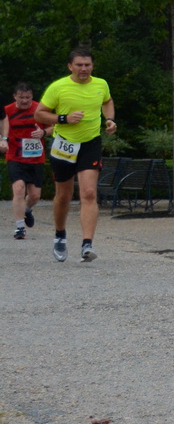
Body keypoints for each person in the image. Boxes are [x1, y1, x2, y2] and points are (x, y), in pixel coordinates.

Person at [35, 49, 116, 263]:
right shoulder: (58, 87)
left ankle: (87, 244)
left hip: (90, 143)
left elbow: (107, 101)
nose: (83, 69)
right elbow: (39, 113)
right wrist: (64, 118)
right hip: (64, 145)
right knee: (64, 195)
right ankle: (60, 235)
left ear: (92, 66)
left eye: (87, 65)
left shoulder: (101, 84)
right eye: (79, 65)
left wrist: (109, 120)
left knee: (89, 193)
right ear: (70, 66)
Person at [5, 81, 47, 240]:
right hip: (15, 156)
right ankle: (20, 228)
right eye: (21, 97)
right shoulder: (7, 111)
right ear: (15, 96)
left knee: (35, 195)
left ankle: (27, 210)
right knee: (18, 189)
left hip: (36, 158)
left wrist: (43, 133)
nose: (24, 101)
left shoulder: (39, 109)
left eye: (28, 97)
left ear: (32, 97)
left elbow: (53, 127)